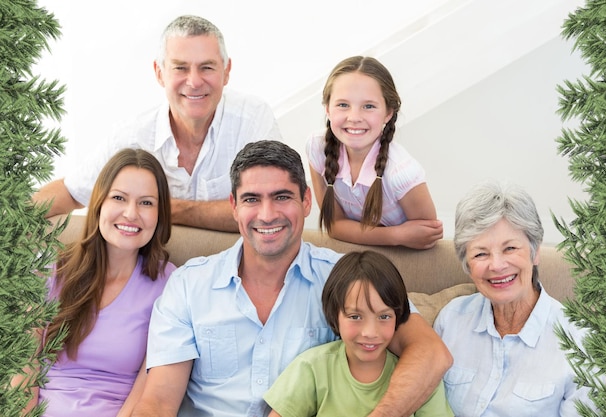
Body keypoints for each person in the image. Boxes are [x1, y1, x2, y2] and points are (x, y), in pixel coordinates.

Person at [130, 140, 452, 417]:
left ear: (307, 201)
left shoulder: (346, 277)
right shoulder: (189, 285)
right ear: (234, 206)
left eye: (282, 197)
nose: (267, 214)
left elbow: (430, 353)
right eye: (252, 199)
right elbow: (158, 402)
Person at [33, 15, 281, 232]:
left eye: (206, 67)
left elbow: (268, 210)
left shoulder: (254, 120)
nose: (194, 81)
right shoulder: (132, 135)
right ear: (159, 73)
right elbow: (70, 192)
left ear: (226, 71)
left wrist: (167, 209)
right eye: (180, 68)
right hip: (154, 273)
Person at [16, 148, 176, 416]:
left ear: (160, 214)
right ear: (99, 203)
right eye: (119, 198)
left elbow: (147, 393)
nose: (131, 213)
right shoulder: (51, 269)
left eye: (146, 202)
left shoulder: (169, 283)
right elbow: (24, 368)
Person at [433, 181, 598, 416]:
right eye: (481, 253)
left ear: (535, 252)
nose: (497, 265)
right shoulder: (450, 320)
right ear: (467, 265)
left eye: (510, 248)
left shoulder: (579, 341)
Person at [264, 250, 453, 416]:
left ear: (399, 315)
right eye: (355, 316)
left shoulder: (423, 379)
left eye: (384, 317)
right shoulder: (311, 369)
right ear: (334, 315)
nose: (370, 332)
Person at [307, 55, 443, 249]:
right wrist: (395, 235)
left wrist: (361, 232)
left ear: (388, 112)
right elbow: (333, 225)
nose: (354, 117)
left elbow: (425, 239)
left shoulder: (402, 172)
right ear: (327, 108)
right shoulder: (317, 147)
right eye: (343, 105)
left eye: (368, 106)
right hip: (355, 258)